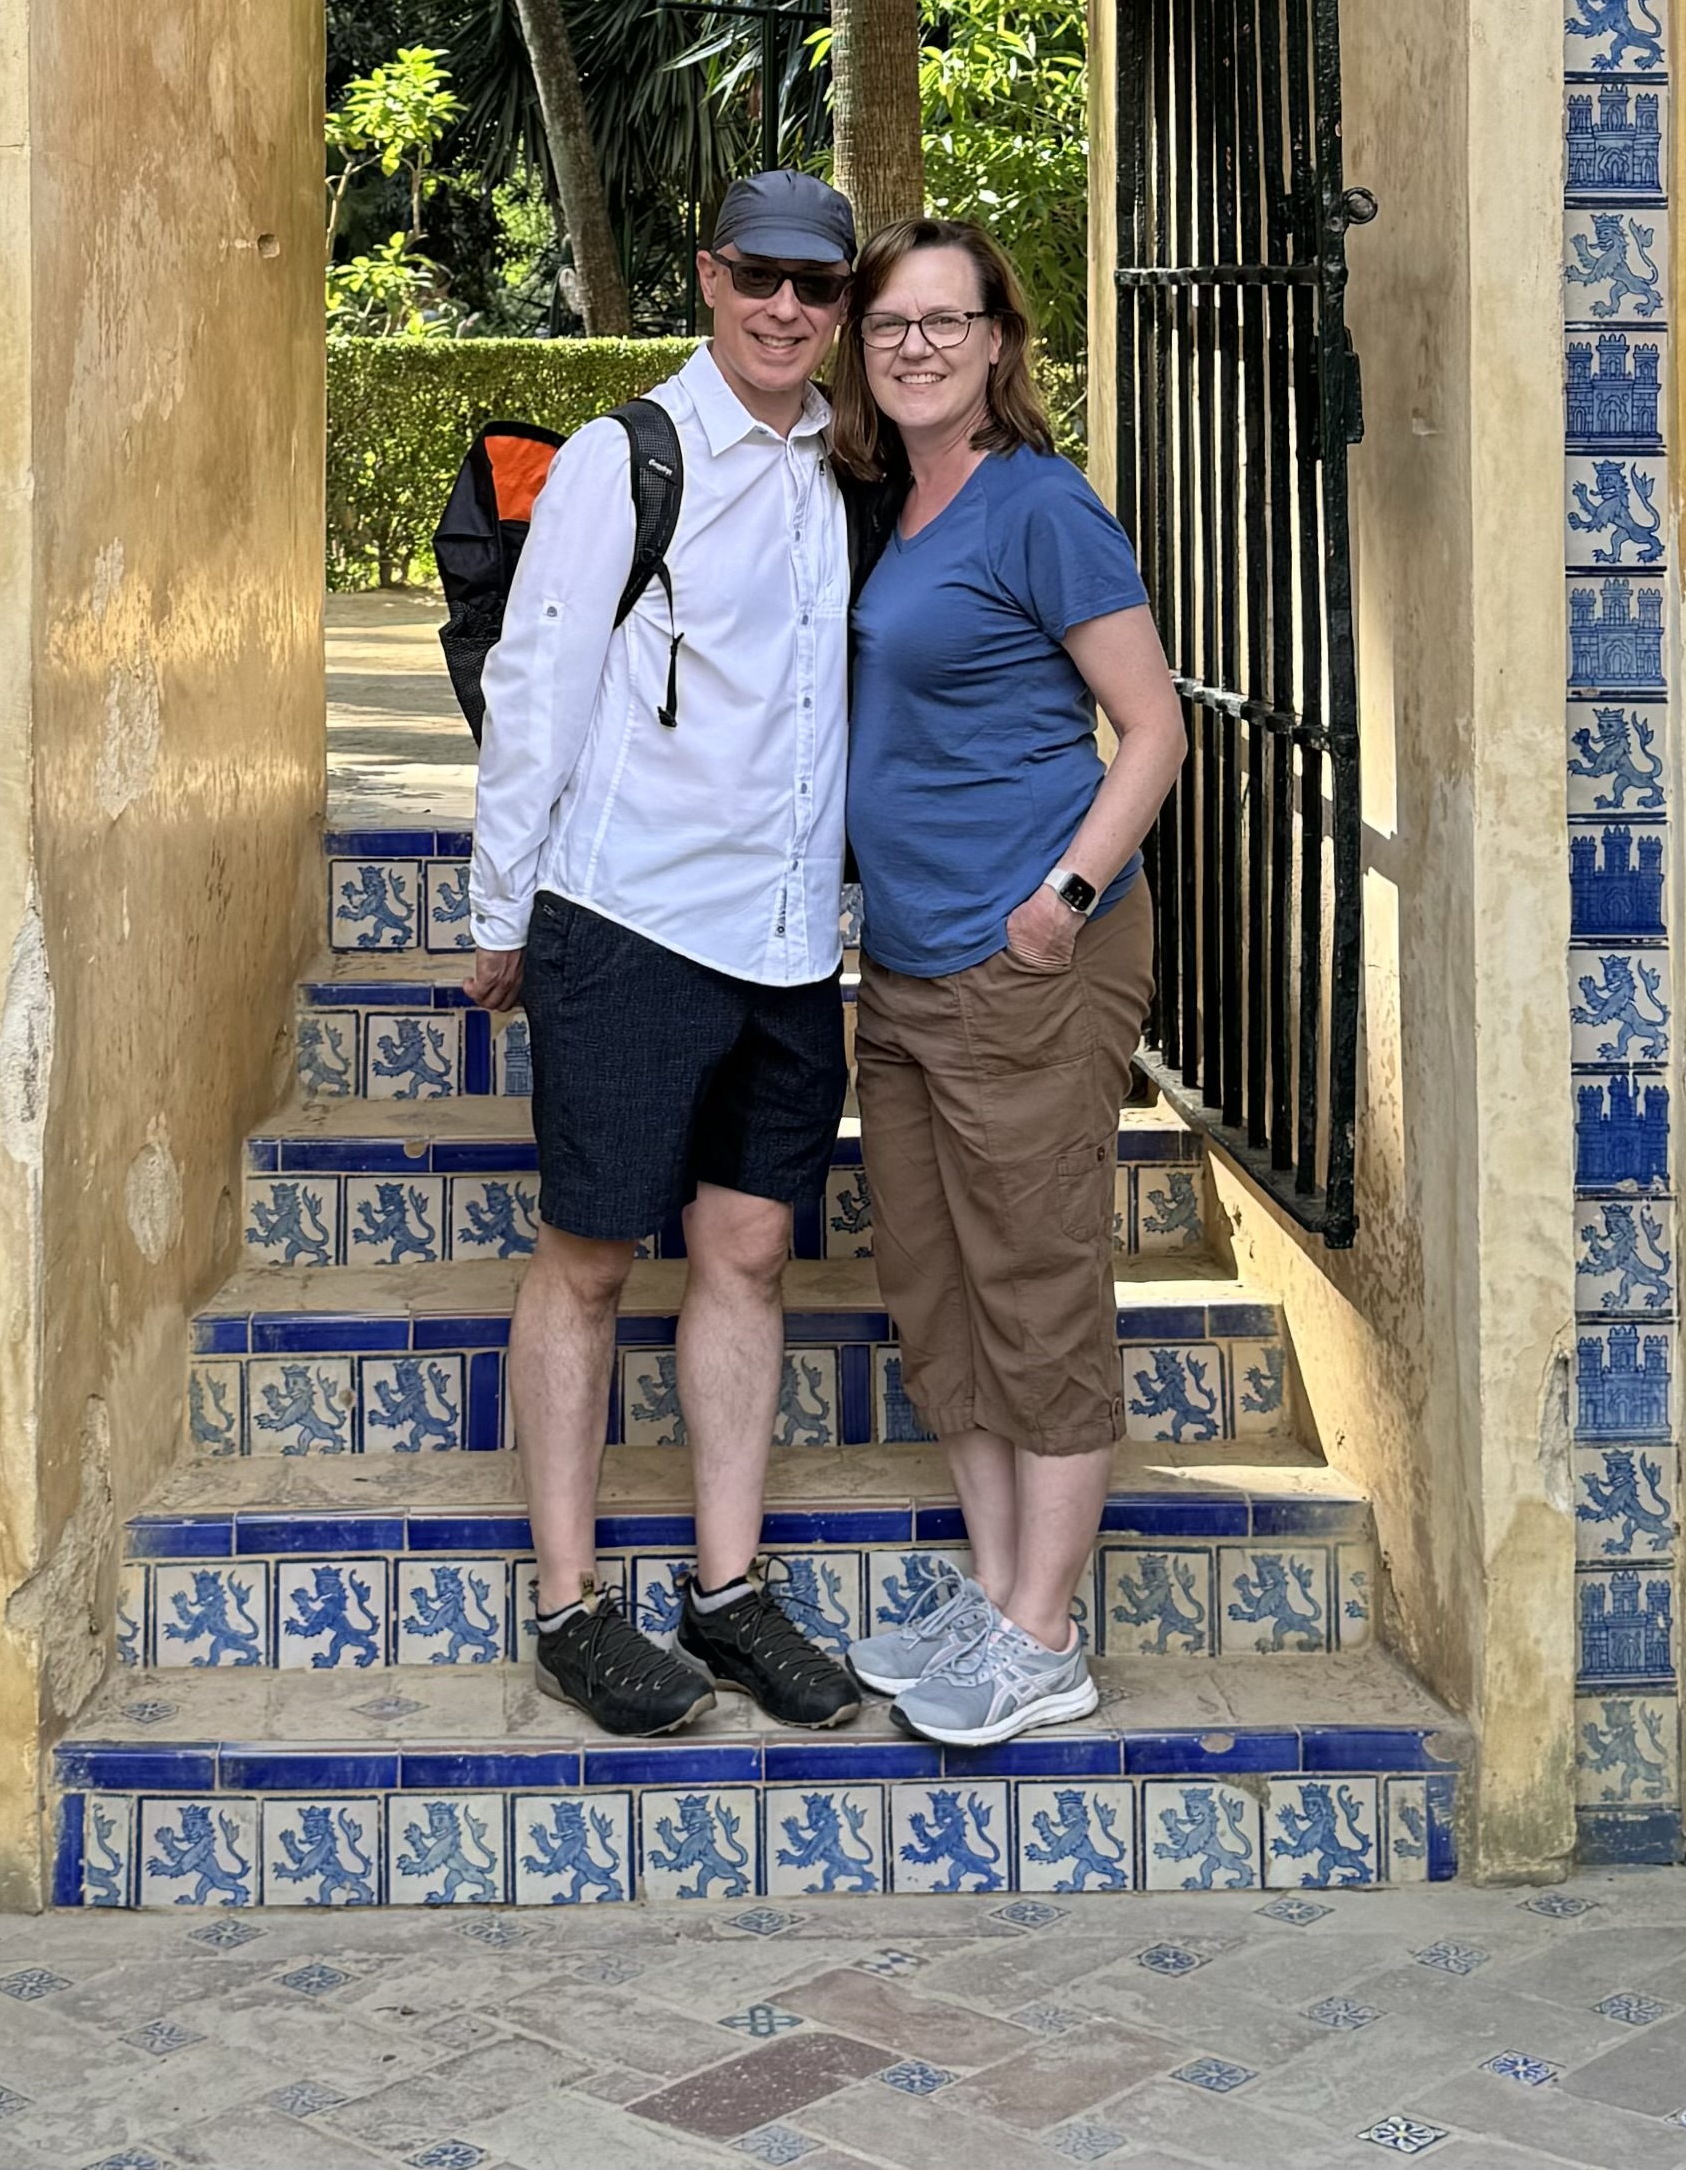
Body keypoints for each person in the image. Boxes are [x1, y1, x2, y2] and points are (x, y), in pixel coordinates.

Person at [462, 167, 868, 1739]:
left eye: (816, 286)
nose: (786, 309)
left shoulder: (844, 468)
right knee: (588, 1260)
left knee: (749, 1256)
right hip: (627, 921)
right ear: (709, 278)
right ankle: (570, 1607)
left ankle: (726, 1589)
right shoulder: (626, 458)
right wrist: (502, 912)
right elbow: (539, 683)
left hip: (787, 944)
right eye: (760, 276)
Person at [828, 214, 1188, 1748]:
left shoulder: (1039, 503)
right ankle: (996, 1598)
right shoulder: (903, 508)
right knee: (938, 1293)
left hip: (1025, 961)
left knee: (1036, 1289)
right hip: (910, 970)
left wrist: (1063, 900)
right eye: (888, 323)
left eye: (943, 321)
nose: (913, 345)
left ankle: (1044, 1636)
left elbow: (1154, 729)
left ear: (996, 344)